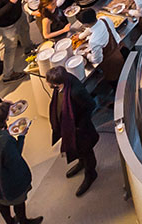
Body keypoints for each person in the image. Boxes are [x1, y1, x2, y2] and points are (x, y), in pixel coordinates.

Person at [0, 103, 43, 224]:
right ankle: (23, 221)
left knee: (2, 202)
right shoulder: (5, 140)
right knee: (18, 201)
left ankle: (9, 221)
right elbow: (16, 156)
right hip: (10, 179)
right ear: (4, 121)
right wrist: (21, 137)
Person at [46, 65, 100, 196]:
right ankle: (81, 163)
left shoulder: (75, 92)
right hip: (69, 128)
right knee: (77, 149)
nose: (47, 84)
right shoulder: (64, 82)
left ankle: (90, 174)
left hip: (81, 130)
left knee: (86, 151)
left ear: (57, 83)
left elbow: (91, 105)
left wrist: (79, 125)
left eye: (50, 82)